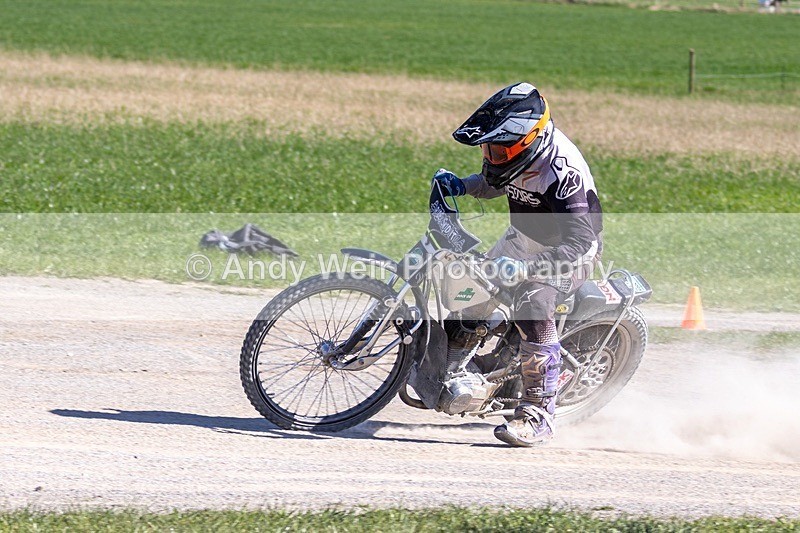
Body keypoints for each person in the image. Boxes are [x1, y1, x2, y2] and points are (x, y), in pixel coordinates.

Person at [434, 82, 603, 447]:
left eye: (499, 149)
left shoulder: (562, 172)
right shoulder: (517, 152)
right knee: (470, 288)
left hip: (569, 252)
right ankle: (455, 369)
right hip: (523, 238)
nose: (491, 156)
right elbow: (499, 181)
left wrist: (528, 269)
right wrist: (462, 186)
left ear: (529, 140)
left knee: (532, 303)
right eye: (488, 148)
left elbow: (582, 242)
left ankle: (539, 414)